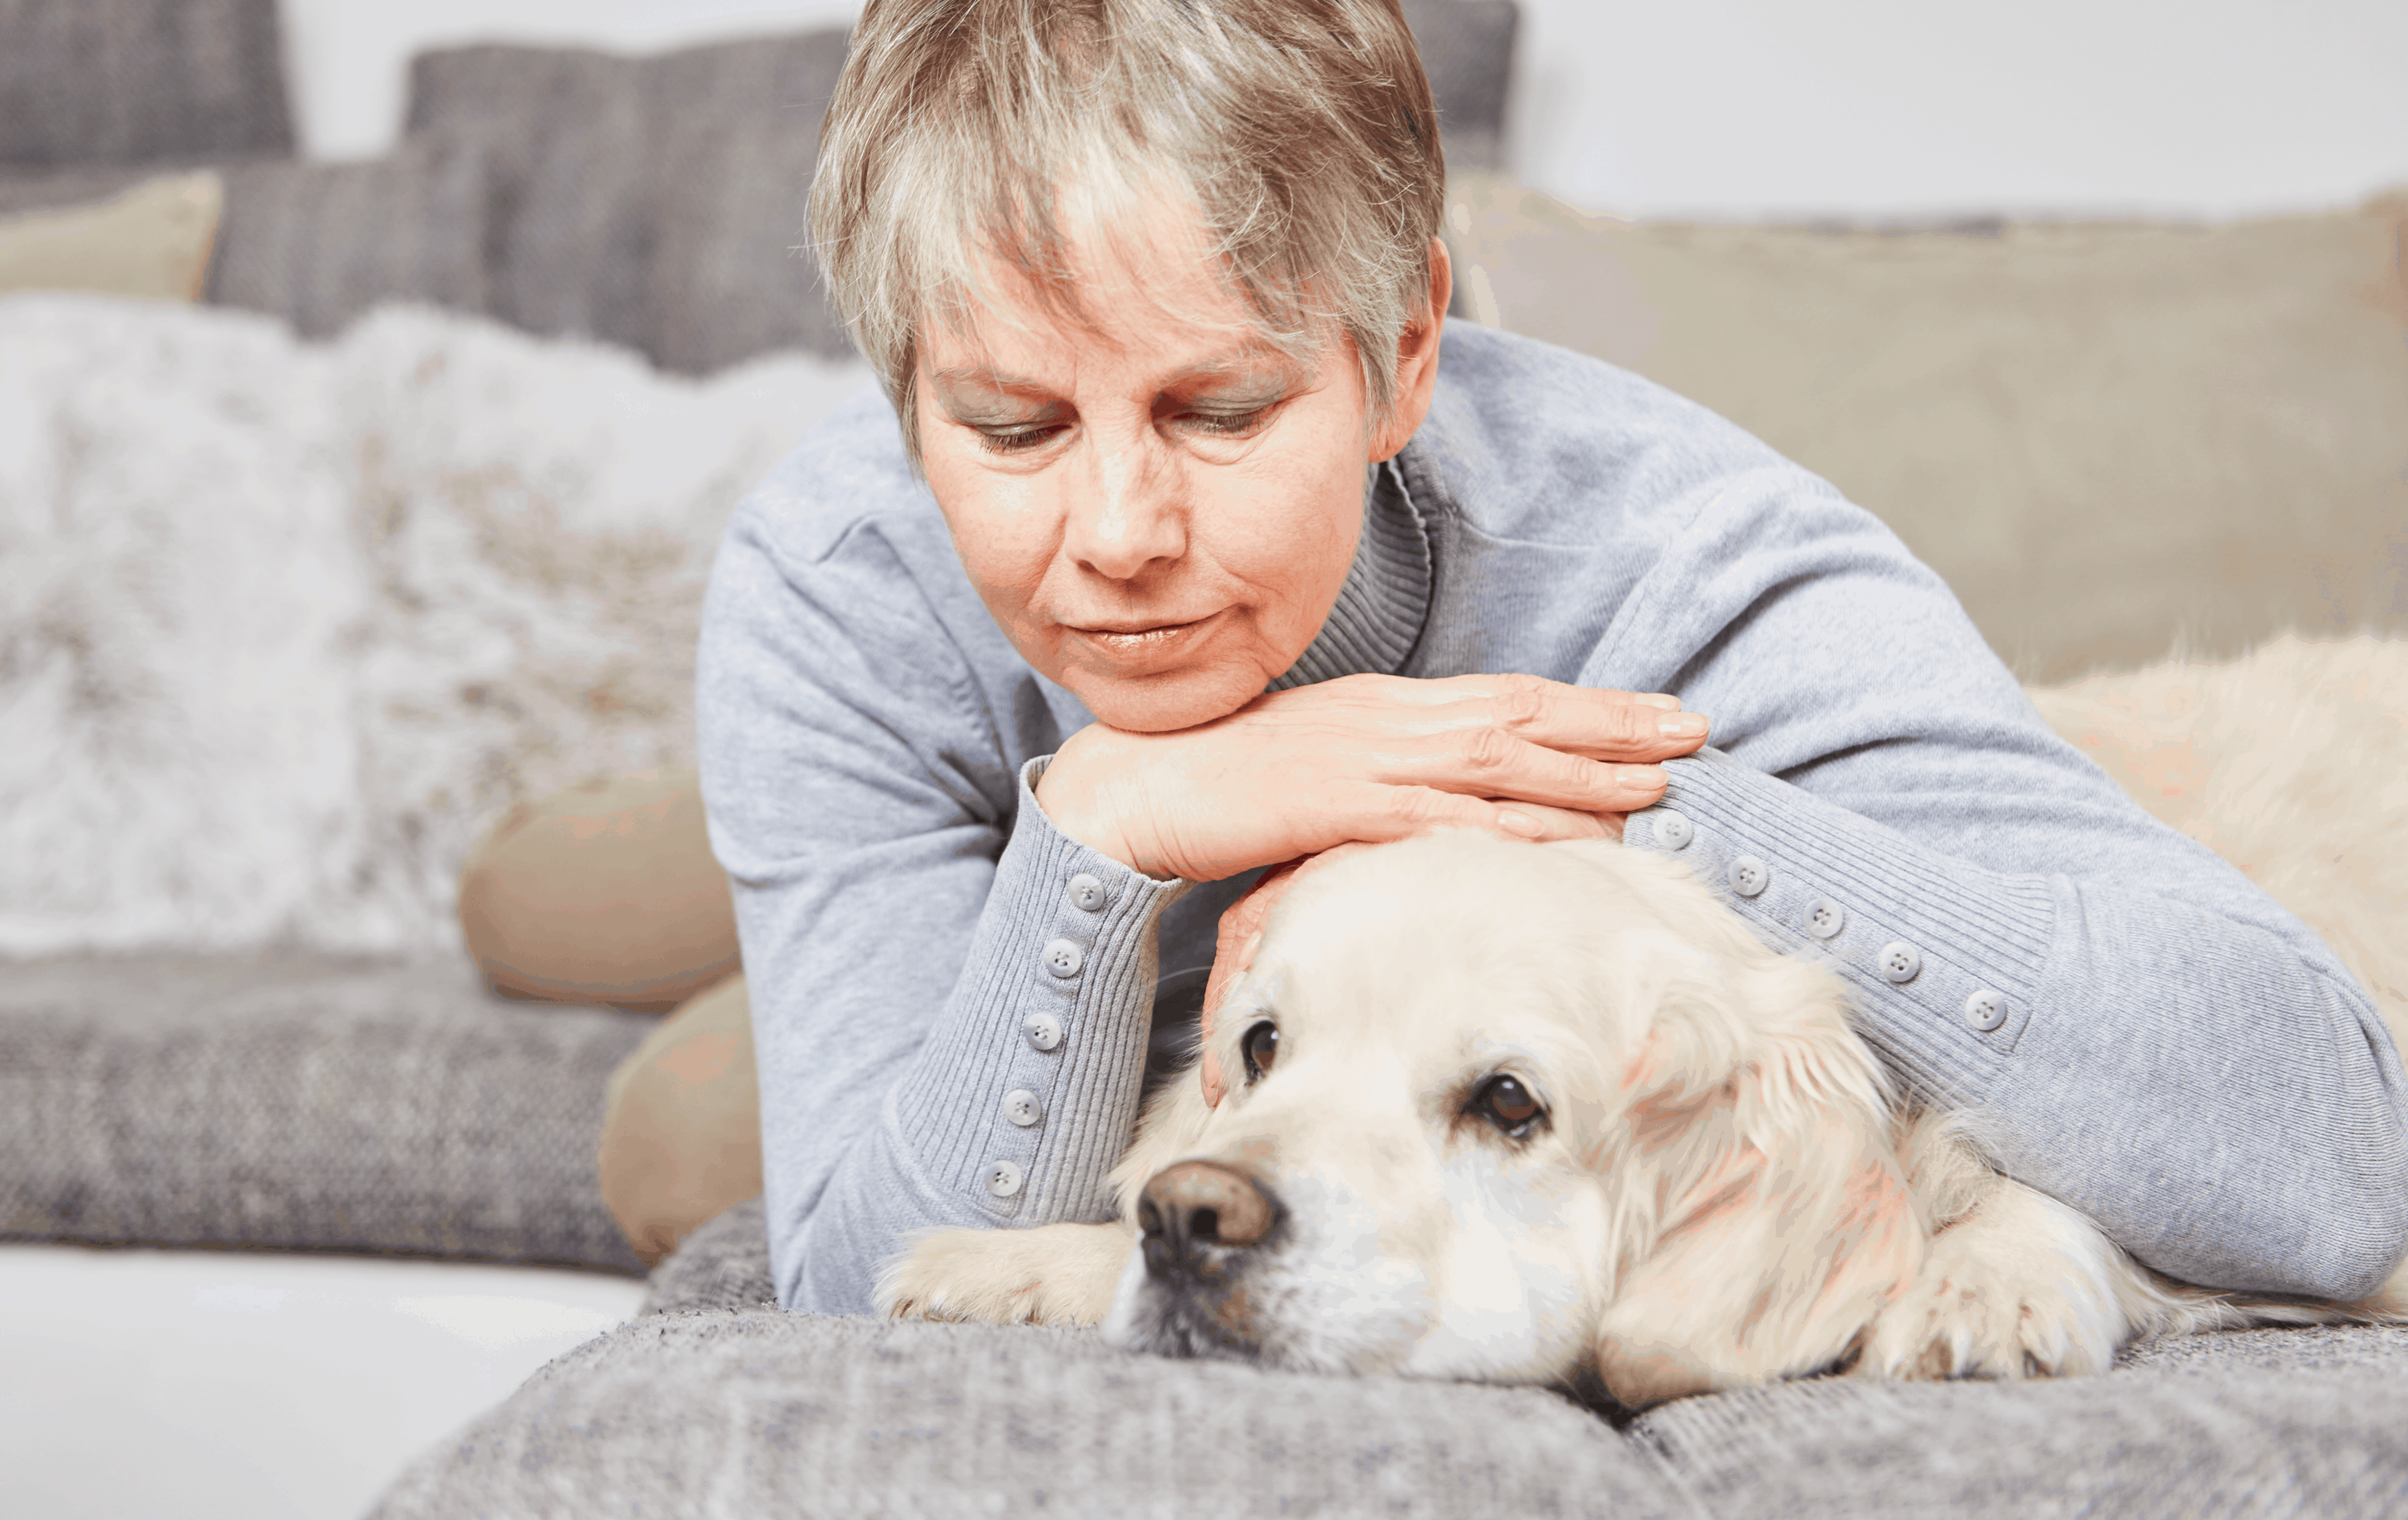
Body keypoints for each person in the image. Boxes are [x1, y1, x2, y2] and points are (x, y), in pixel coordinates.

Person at [685, 0, 2406, 1317]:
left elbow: (2330, 1155)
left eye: (1222, 410)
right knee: (669, 1120)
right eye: (1011, 425)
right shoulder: (837, 577)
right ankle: (656, 881)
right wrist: (1102, 837)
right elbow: (861, 1279)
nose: (1120, 531)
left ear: (1410, 347)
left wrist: (1532, 797)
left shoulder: (1694, 561)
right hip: (1003, 891)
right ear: (904, 395)